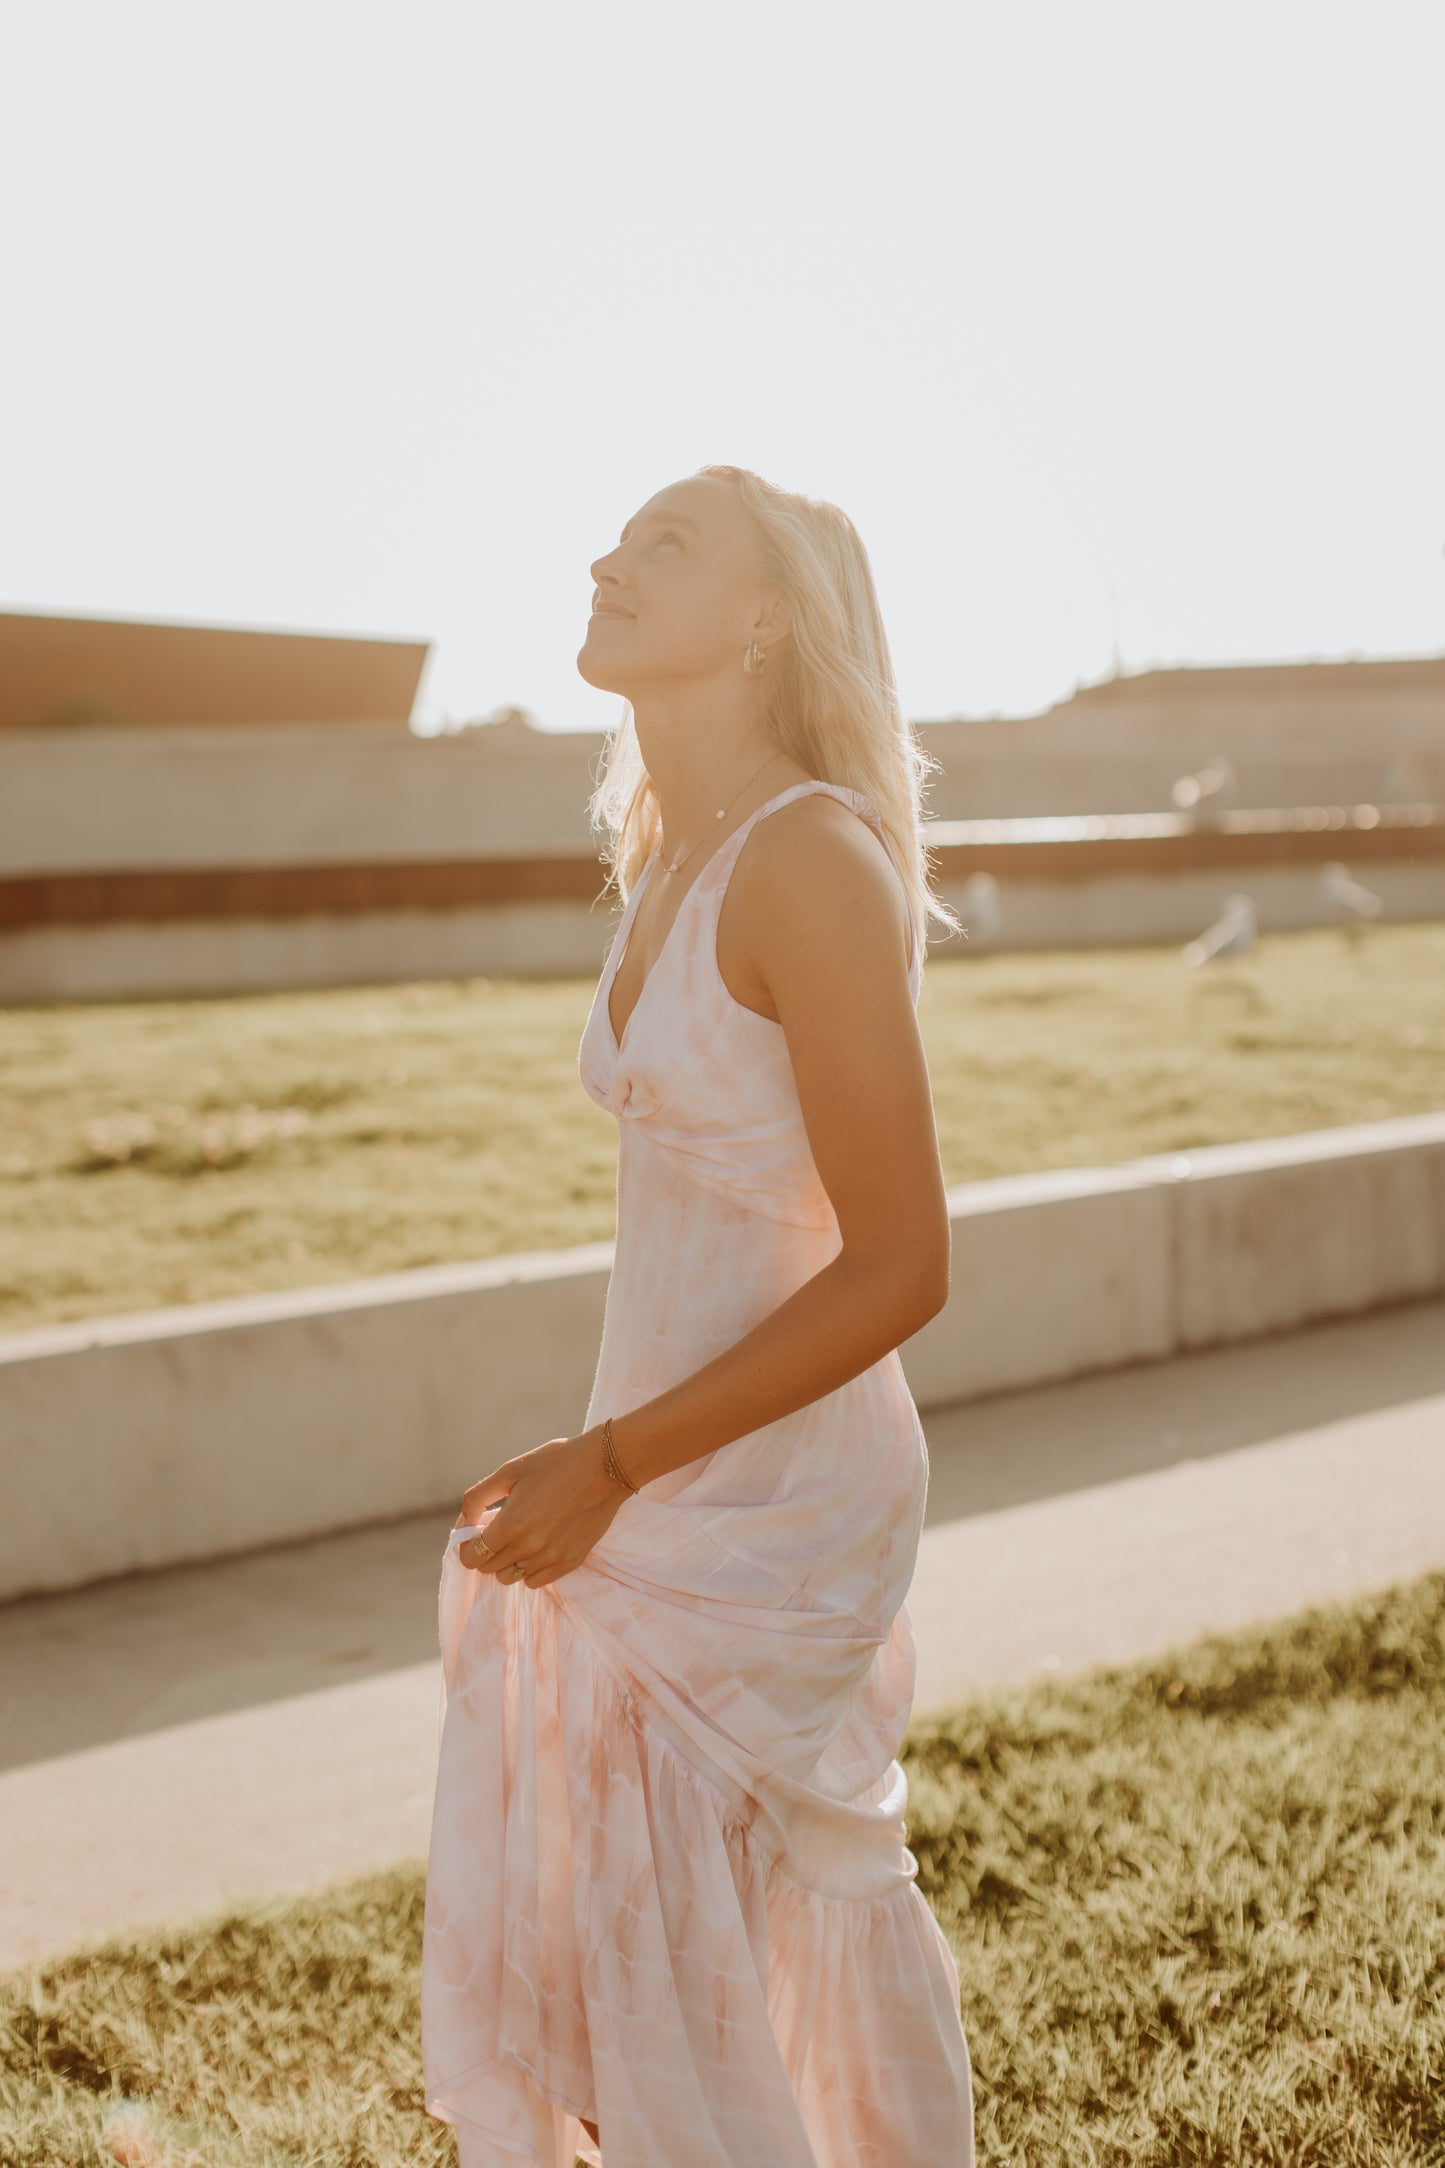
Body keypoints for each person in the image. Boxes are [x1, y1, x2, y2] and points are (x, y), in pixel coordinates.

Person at [421, 464, 975, 2166]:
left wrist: (617, 1461)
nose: (606, 558)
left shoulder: (805, 857)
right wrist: (610, 1466)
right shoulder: (666, 851)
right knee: (644, 1953)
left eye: (664, 543)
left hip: (770, 1495)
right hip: (654, 1473)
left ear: (763, 620)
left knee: (702, 1942)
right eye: (614, 536)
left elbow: (900, 1266)